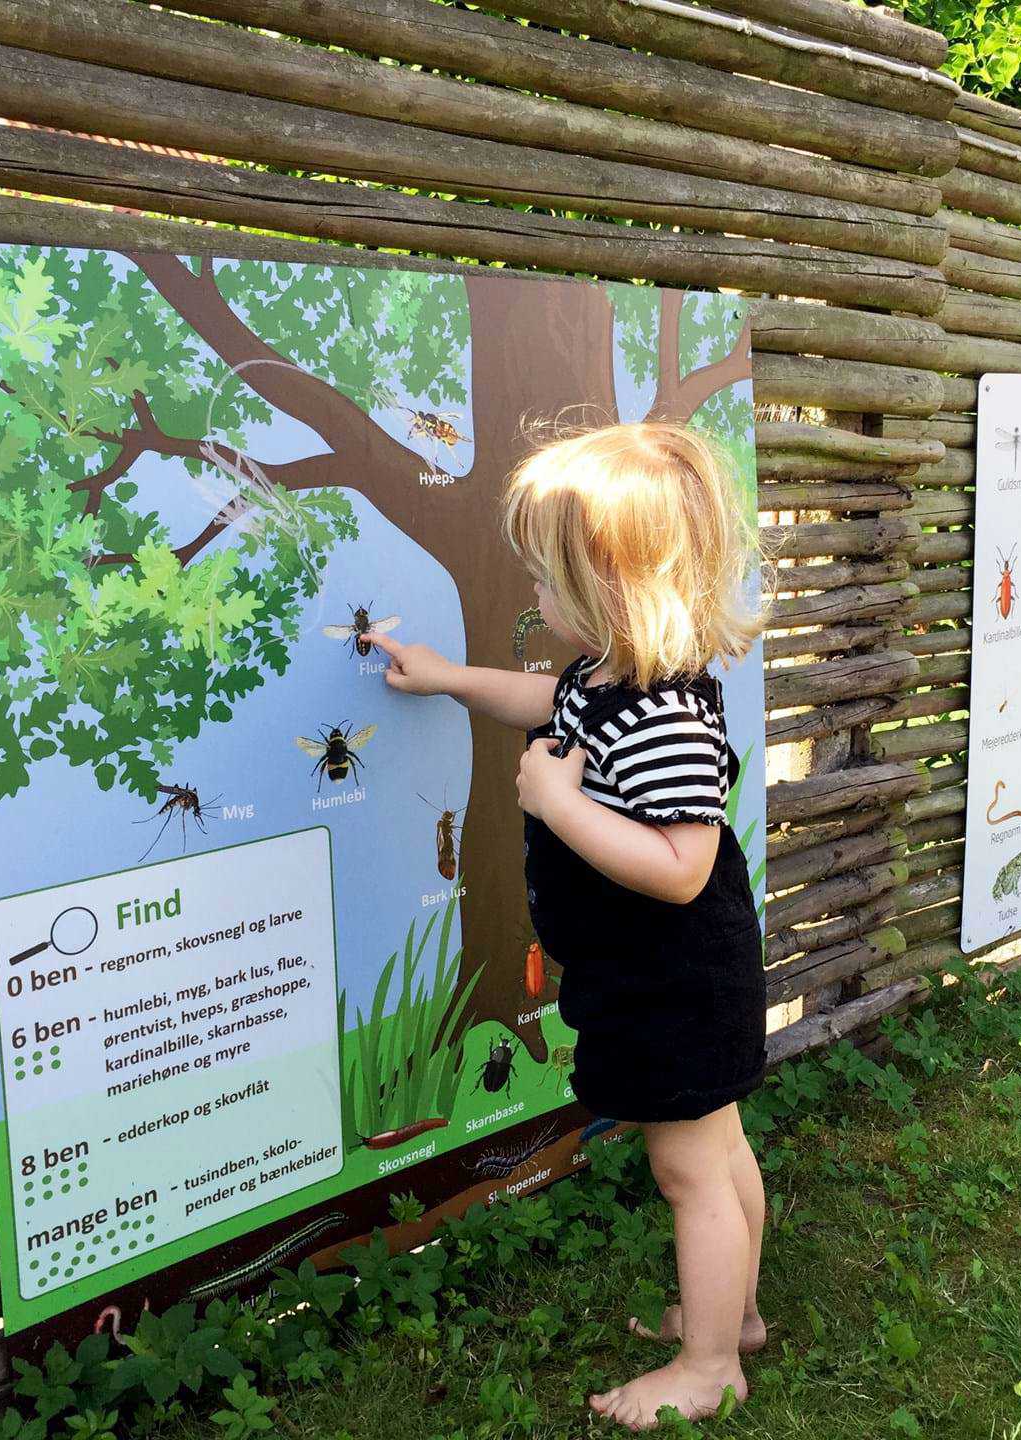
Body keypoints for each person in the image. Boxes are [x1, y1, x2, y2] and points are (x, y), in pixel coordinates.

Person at [369, 420, 768, 1429]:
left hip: (676, 978)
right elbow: (541, 700)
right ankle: (736, 1313)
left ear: (613, 588)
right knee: (717, 1150)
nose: (536, 594)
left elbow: (682, 868)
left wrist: (556, 804)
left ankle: (710, 1364)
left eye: (549, 579)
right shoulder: (605, 676)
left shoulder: (664, 714)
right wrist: (448, 678)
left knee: (691, 1169)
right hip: (662, 974)